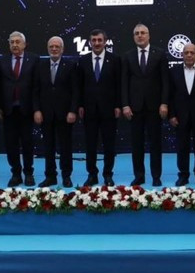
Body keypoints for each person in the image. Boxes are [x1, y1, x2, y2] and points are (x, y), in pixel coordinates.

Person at [121, 23, 167, 187]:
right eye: (137, 33)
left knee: (155, 144)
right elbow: (124, 82)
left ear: (149, 35)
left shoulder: (160, 54)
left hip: (155, 107)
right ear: (133, 37)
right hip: (135, 108)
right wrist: (125, 105)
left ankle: (156, 176)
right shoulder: (128, 56)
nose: (140, 35)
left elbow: (165, 82)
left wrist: (164, 103)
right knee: (137, 144)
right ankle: (139, 176)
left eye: (143, 33)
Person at [161, 42, 195, 186]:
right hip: (180, 117)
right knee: (182, 147)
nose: (189, 55)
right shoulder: (174, 71)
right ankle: (183, 175)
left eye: (192, 53)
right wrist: (171, 115)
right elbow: (170, 95)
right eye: (186, 53)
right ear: (182, 55)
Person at [77, 29, 121, 187]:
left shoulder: (114, 60)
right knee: (90, 144)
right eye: (94, 40)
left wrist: (118, 105)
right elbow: (78, 86)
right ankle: (92, 175)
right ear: (90, 42)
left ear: (105, 42)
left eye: (99, 40)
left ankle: (108, 174)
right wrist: (80, 105)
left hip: (109, 109)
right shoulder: (83, 60)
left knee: (109, 145)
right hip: (89, 110)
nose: (96, 43)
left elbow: (119, 84)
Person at [33, 36, 79, 188]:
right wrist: (37, 110)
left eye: (57, 46)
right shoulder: (40, 65)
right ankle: (50, 177)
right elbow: (35, 90)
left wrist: (73, 111)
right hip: (45, 114)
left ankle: (66, 176)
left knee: (65, 147)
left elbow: (75, 91)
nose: (54, 49)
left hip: (65, 114)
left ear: (62, 49)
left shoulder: (71, 65)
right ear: (47, 48)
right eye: (51, 46)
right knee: (48, 147)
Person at [0, 31, 37, 187]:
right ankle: (16, 173)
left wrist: (37, 108)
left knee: (27, 143)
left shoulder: (34, 59)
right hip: (8, 110)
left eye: (17, 42)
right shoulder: (2, 60)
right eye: (12, 42)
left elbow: (37, 85)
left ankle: (28, 173)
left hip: (27, 109)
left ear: (24, 44)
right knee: (11, 144)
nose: (15, 45)